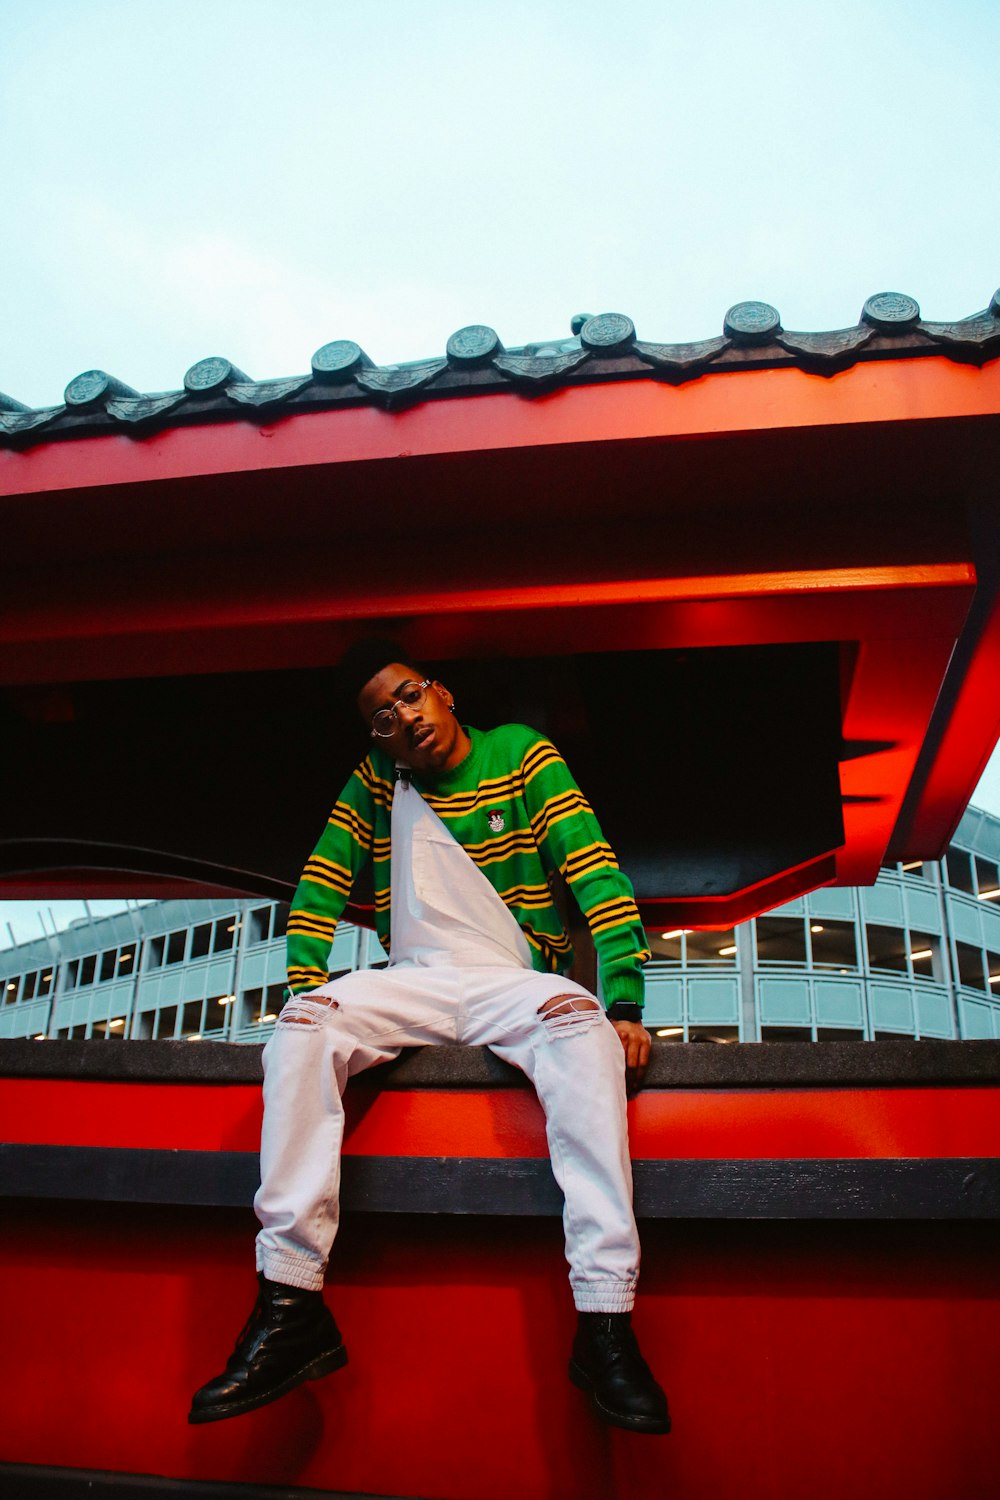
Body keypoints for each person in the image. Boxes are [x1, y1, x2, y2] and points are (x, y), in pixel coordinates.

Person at [189, 643, 669, 1434]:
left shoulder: (521, 755)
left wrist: (622, 1001)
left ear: (441, 691)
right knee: (304, 1027)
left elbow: (594, 870)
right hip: (411, 974)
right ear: (377, 737)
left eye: (410, 697)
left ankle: (605, 1319)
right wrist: (303, 980)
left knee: (581, 1029)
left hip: (515, 973)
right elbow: (324, 874)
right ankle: (289, 1300)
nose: (404, 718)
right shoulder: (379, 781)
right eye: (383, 717)